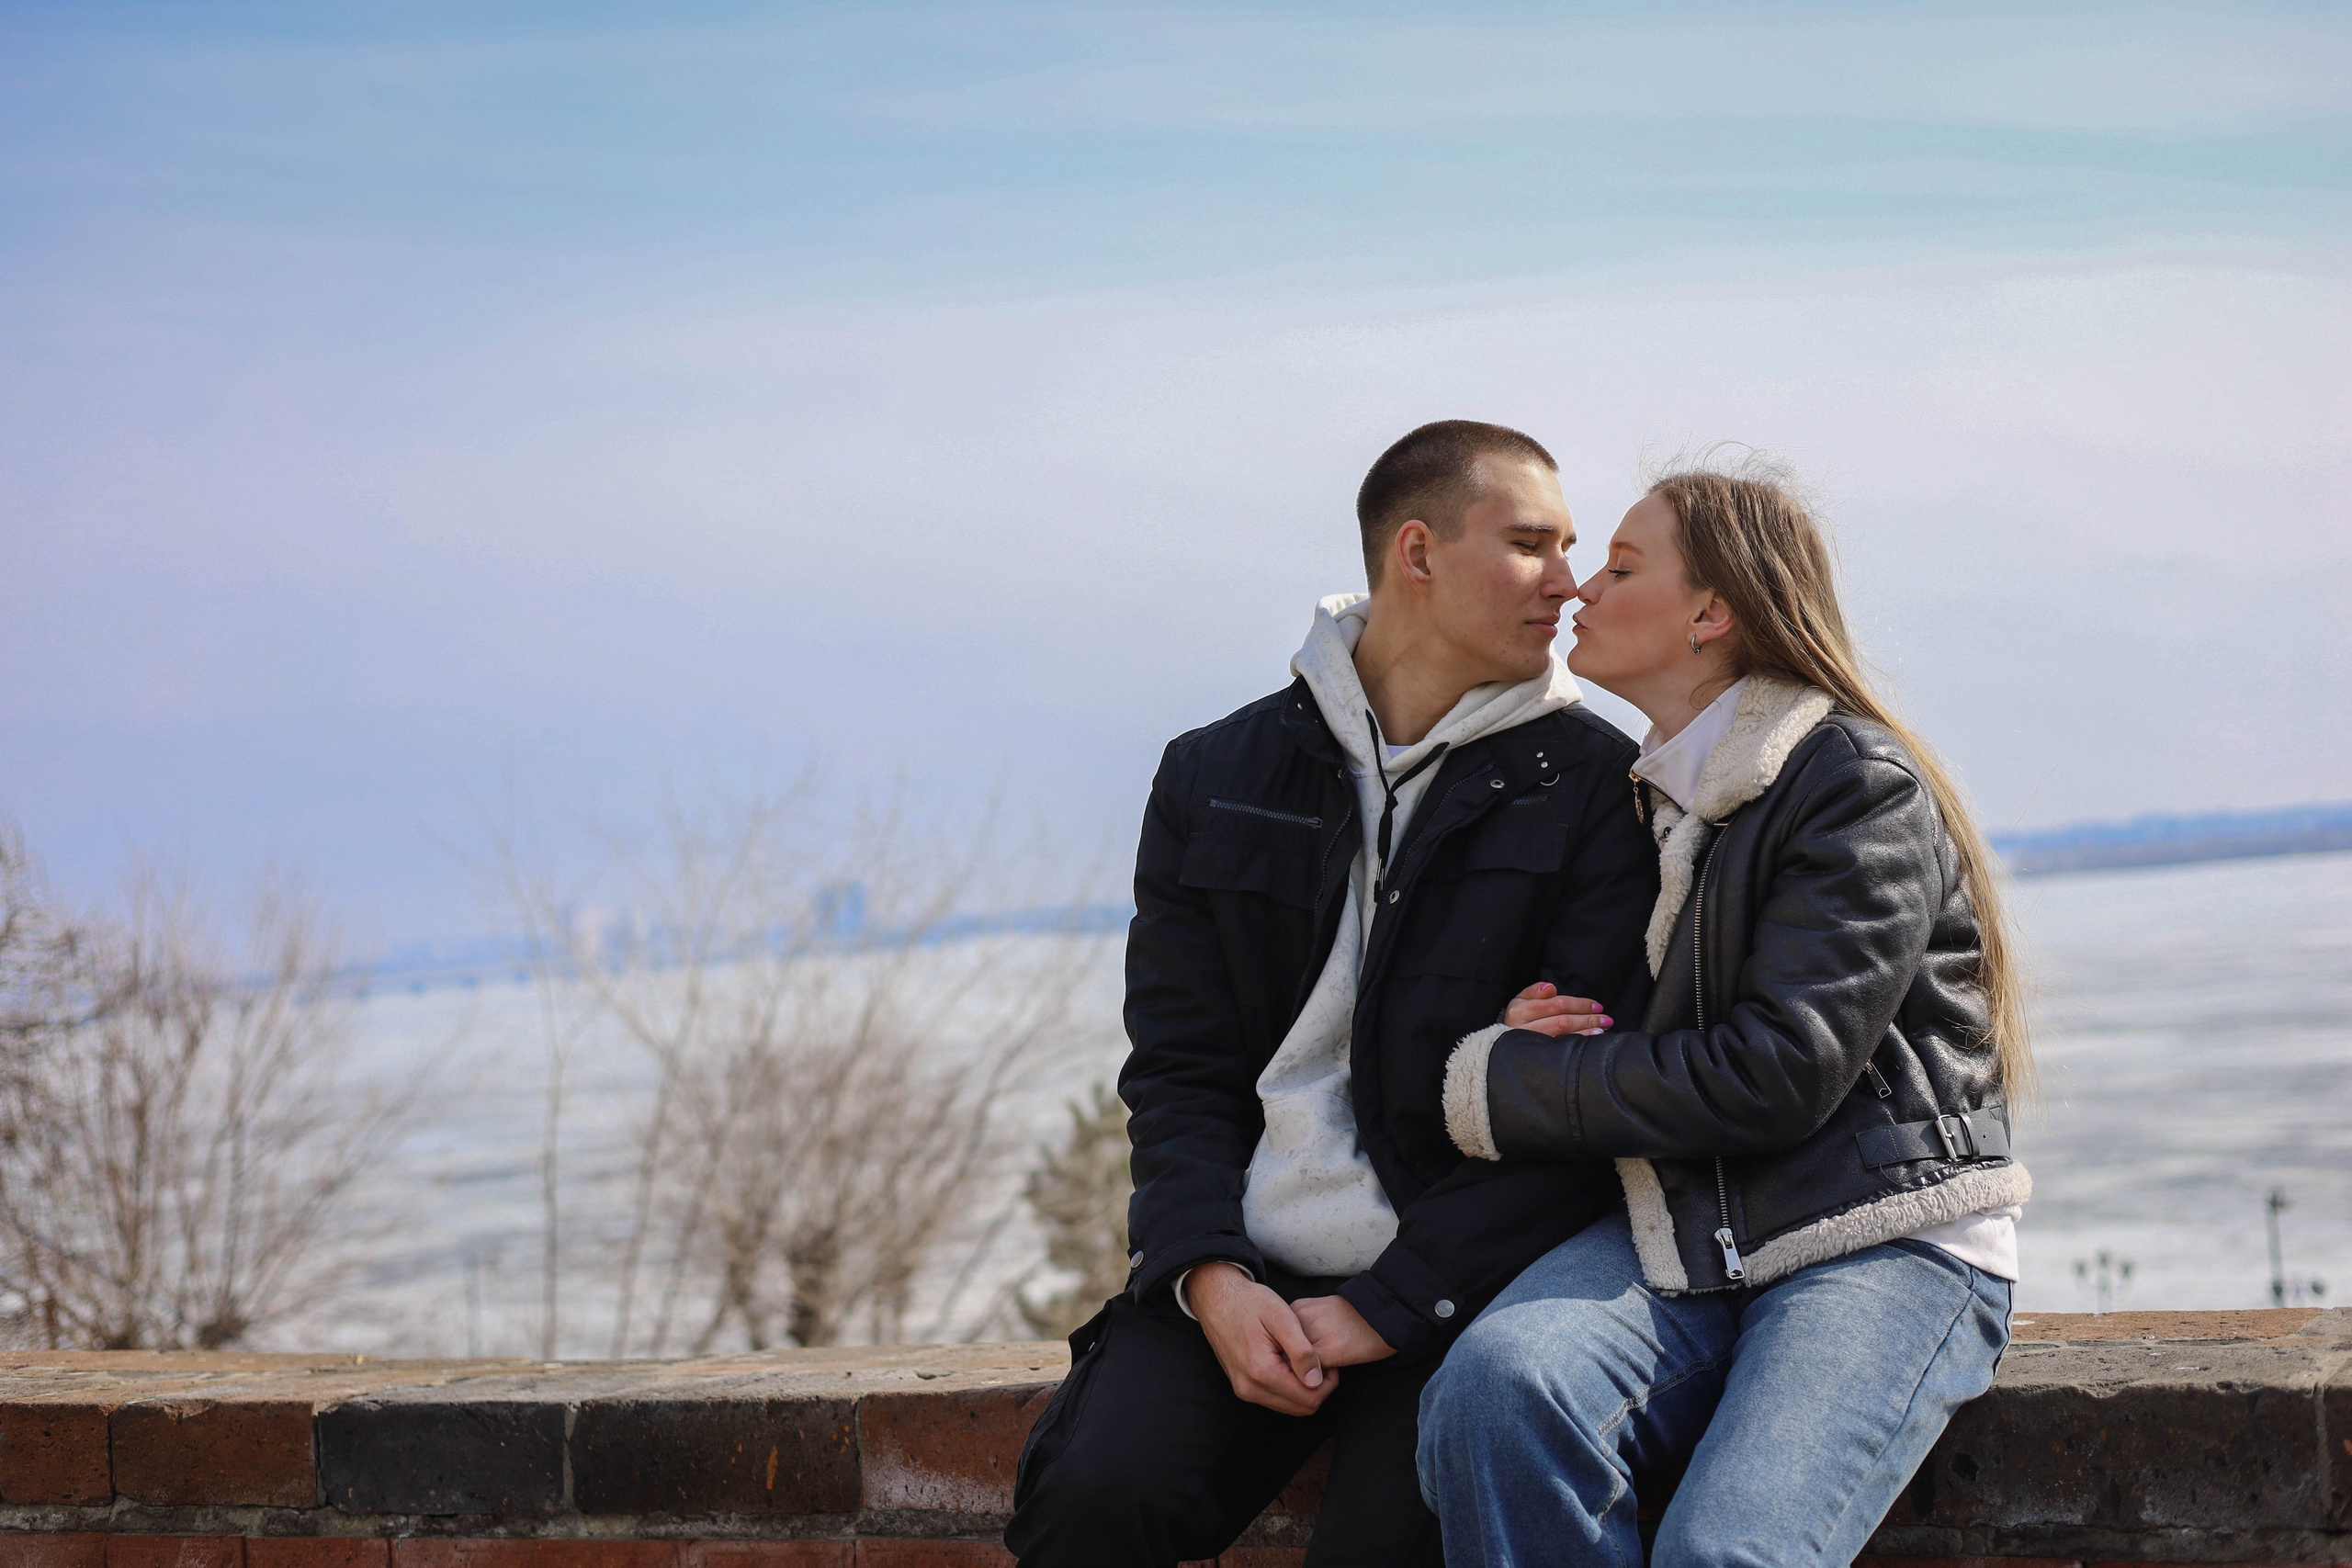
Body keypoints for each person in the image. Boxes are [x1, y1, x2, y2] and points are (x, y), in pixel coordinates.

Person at [1002, 421, 1660, 1568]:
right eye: (1528, 546)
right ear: (1416, 553)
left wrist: (1386, 1307)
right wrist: (1208, 1275)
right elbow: (1181, 1070)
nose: (1568, 584)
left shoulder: (1602, 785)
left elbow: (1578, 1107)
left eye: (1568, 550)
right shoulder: (1214, 775)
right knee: (1091, 1501)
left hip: (1465, 1282)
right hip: (1249, 1266)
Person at [1419, 457, 2034, 1568]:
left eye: (1617, 566)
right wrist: (1541, 1018)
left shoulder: (1849, 781)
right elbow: (1643, 1014)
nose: (1577, 592)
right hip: (1689, 1229)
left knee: (1724, 1553)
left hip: (1879, 1241)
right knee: (1495, 1392)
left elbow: (1773, 1073)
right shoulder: (1645, 794)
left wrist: (1503, 1081)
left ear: (1710, 612)